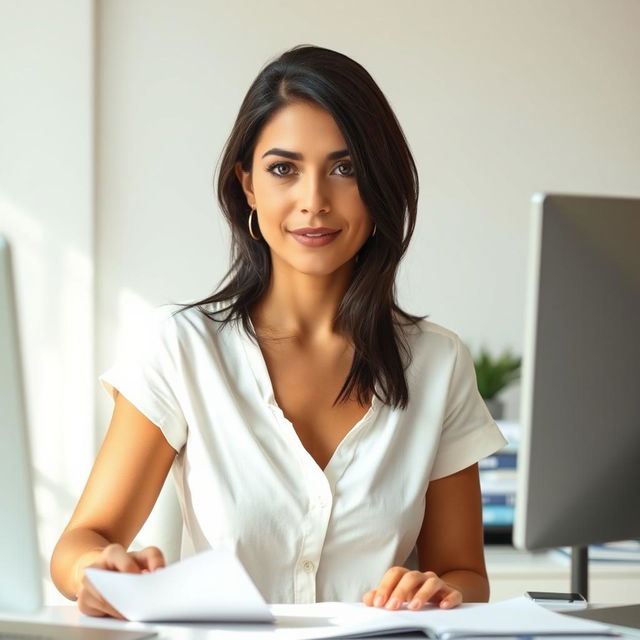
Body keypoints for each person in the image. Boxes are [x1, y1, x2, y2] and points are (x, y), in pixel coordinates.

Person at [50, 44, 506, 619]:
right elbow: (81, 540)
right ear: (248, 185)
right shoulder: (181, 347)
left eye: (345, 169)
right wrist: (97, 573)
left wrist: (441, 590)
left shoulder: (437, 361)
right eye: (283, 169)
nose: (313, 201)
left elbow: (464, 570)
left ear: (379, 185)